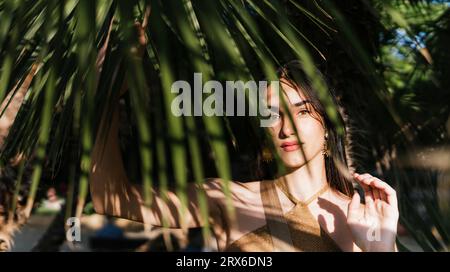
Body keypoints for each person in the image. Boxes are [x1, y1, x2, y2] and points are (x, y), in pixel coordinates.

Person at [89, 26, 399, 251]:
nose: (286, 128)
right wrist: (107, 99)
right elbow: (110, 197)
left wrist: (382, 248)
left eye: (302, 112)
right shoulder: (229, 199)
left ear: (328, 127)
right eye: (273, 114)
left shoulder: (359, 218)